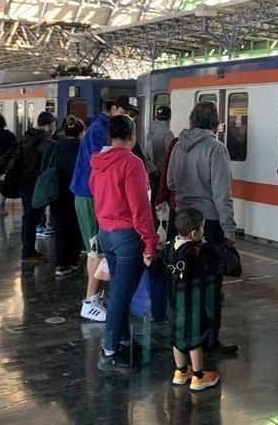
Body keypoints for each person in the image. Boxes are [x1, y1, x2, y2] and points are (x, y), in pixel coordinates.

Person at [89, 114, 159, 367]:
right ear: (132, 135)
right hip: (128, 237)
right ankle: (109, 350)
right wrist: (151, 242)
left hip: (107, 233)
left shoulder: (99, 162)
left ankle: (124, 341)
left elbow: (97, 196)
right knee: (120, 295)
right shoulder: (132, 163)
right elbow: (140, 207)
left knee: (120, 291)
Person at [168, 101, 237, 354]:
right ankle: (209, 342)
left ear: (191, 120)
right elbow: (222, 195)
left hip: (182, 221)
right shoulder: (215, 149)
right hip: (208, 223)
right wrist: (229, 231)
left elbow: (171, 182)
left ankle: (184, 336)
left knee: (185, 281)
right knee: (210, 285)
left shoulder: (177, 146)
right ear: (215, 123)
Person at [70, 96, 141, 322]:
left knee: (97, 248)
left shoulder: (100, 127)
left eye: (130, 113)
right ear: (112, 109)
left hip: (91, 195)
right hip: (90, 196)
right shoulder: (102, 130)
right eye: (124, 111)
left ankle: (94, 297)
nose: (127, 116)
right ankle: (90, 302)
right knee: (95, 249)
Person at [168, 208, 221, 391]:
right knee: (194, 340)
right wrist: (207, 247)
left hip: (175, 304)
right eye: (202, 228)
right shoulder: (196, 252)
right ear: (194, 233)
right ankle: (199, 377)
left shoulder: (170, 246)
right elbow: (210, 267)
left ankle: (181, 371)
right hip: (192, 304)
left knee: (177, 338)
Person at [47, 116, 85, 277]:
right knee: (75, 227)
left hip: (57, 194)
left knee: (60, 229)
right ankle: (73, 260)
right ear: (80, 133)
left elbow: (45, 168)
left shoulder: (53, 147)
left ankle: (61, 264)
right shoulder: (83, 149)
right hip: (76, 193)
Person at [17, 111, 56, 262]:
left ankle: (28, 249)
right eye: (53, 124)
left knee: (28, 217)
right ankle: (28, 252)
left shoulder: (25, 138)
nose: (54, 127)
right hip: (37, 185)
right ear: (48, 125)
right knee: (32, 218)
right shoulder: (47, 143)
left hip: (23, 183)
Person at [147, 105, 175, 195]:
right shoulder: (167, 133)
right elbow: (171, 154)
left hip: (151, 171)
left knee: (154, 197)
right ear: (169, 117)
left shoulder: (150, 132)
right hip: (161, 173)